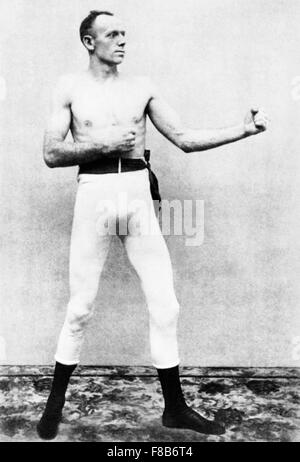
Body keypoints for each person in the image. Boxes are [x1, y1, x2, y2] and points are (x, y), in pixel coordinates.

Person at [37, 10, 269, 440]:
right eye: (111, 34)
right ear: (90, 42)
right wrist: (104, 143)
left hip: (138, 195)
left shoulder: (141, 88)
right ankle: (53, 408)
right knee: (81, 308)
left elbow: (183, 138)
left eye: (124, 32)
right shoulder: (69, 87)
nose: (122, 40)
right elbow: (51, 153)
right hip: (95, 194)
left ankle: (175, 409)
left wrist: (242, 130)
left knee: (166, 304)